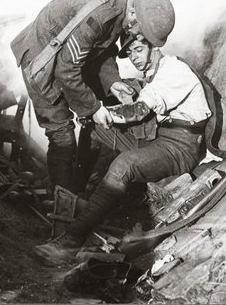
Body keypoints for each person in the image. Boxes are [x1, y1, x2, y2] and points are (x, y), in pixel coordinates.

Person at [35, 34, 214, 263]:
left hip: (180, 148)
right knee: (93, 128)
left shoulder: (174, 70)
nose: (134, 58)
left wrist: (100, 111)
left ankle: (70, 243)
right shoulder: (154, 72)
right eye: (130, 53)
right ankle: (77, 199)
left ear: (154, 47)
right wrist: (98, 114)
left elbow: (139, 111)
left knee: (124, 164)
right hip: (162, 138)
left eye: (138, 50)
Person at [10, 0, 175, 194]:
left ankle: (77, 189)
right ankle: (63, 201)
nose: (134, 36)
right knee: (61, 133)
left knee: (93, 116)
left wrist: (112, 82)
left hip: (63, 55)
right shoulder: (102, 15)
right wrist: (93, 108)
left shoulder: (122, 6)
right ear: (134, 14)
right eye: (138, 31)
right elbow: (66, 69)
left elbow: (103, 48)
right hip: (40, 59)